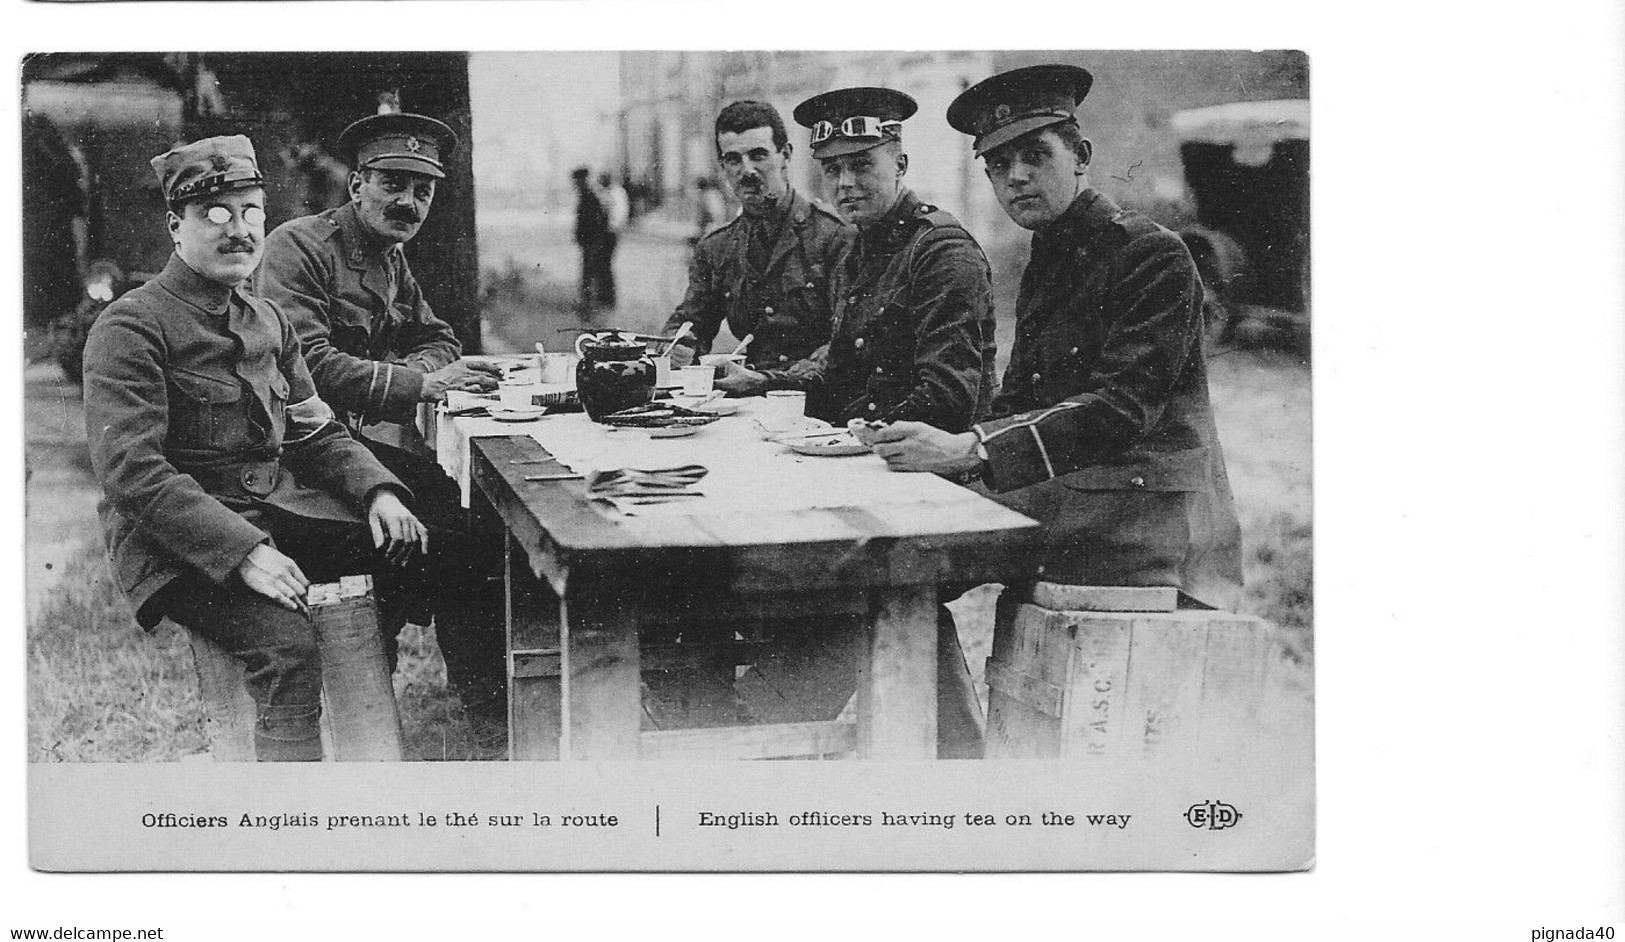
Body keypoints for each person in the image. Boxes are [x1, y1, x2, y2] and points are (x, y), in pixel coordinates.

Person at [82, 135, 428, 761]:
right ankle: (285, 821)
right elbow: (131, 472)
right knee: (287, 647)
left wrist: (376, 490)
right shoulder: (130, 325)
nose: (238, 231)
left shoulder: (268, 318)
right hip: (175, 543)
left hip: (269, 509)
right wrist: (244, 554)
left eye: (250, 214)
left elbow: (314, 429)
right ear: (175, 227)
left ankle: (364, 733)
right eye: (215, 215)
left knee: (429, 544)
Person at [872, 64, 1243, 618]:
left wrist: (968, 450)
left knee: (895, 554)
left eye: (1036, 155)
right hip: (1079, 494)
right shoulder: (1048, 256)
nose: (1016, 176)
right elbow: (1023, 403)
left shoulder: (1150, 252)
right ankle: (934, 708)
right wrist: (934, 443)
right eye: (999, 164)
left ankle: (759, 701)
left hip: (1145, 514)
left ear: (1081, 156)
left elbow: (1120, 410)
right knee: (889, 540)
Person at [255, 113, 510, 753]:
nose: (409, 203)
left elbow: (438, 337)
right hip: (290, 456)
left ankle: (488, 715)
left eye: (423, 191)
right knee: (456, 531)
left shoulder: (389, 259)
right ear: (358, 185)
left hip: (344, 450)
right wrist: (422, 385)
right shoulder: (299, 248)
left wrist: (422, 370)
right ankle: (470, 719)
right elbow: (305, 367)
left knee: (473, 516)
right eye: (394, 183)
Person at [663, 100, 852, 384]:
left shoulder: (834, 237)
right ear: (722, 166)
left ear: (785, 155)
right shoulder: (716, 248)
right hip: (749, 396)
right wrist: (679, 343)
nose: (747, 170)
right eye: (733, 159)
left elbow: (845, 346)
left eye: (758, 155)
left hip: (820, 399)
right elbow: (693, 319)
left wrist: (767, 380)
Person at [572, 166, 610, 313]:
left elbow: (598, 220)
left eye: (577, 181)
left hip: (592, 242)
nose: (575, 184)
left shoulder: (590, 196)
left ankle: (590, 305)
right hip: (589, 242)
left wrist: (594, 241)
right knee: (590, 273)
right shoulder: (586, 195)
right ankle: (590, 303)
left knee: (590, 273)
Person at [597, 171, 629, 309]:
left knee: (605, 264)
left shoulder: (617, 193)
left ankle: (608, 298)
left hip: (611, 232)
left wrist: (611, 227)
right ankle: (604, 296)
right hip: (607, 231)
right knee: (603, 265)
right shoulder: (608, 192)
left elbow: (618, 214)